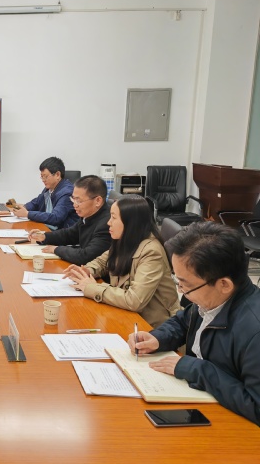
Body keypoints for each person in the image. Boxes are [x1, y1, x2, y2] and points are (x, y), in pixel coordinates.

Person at [128, 222, 260, 426]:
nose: (181, 291)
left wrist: (197, 370)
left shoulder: (254, 331)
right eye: (178, 282)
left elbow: (256, 407)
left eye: (185, 285)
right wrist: (157, 338)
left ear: (224, 284)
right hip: (199, 406)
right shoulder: (211, 299)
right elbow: (184, 322)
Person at [64, 195, 180, 327]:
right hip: (126, 316)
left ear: (130, 222)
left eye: (114, 218)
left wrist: (92, 288)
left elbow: (134, 300)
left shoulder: (152, 252)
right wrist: (86, 271)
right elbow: (102, 262)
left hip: (151, 327)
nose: (108, 222)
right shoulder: (126, 238)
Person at [27, 175, 111, 265]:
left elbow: (86, 256)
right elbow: (69, 234)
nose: (74, 205)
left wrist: (56, 249)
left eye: (79, 201)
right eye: (73, 199)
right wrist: (44, 236)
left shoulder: (108, 223)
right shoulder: (89, 214)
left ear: (98, 201)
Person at [14, 156, 78, 230]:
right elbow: (37, 202)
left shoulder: (67, 193)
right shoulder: (49, 188)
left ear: (57, 175)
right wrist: (24, 208)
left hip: (61, 233)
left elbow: (56, 217)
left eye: (46, 176)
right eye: (42, 177)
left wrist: (27, 214)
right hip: (47, 228)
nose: (43, 180)